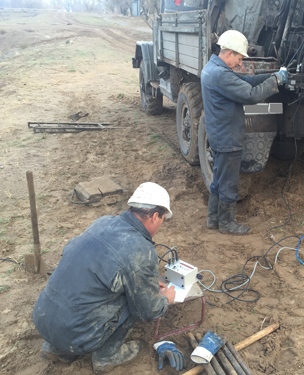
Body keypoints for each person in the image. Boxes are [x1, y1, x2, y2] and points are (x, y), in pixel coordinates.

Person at [33, 182, 176, 374]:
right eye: (162, 219)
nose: (160, 224)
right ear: (155, 216)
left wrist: (146, 282)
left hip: (43, 318)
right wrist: (165, 299)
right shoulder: (141, 249)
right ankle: (107, 357)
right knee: (134, 300)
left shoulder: (104, 221)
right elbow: (147, 311)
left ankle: (57, 349)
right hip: (79, 334)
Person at [201, 29, 288, 235]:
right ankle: (227, 223)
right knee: (229, 183)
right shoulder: (221, 75)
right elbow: (251, 94)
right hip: (228, 137)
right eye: (239, 58)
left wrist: (271, 76)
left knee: (218, 179)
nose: (240, 63)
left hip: (218, 134)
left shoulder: (212, 68)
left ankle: (213, 219)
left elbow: (244, 82)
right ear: (229, 53)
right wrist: (276, 81)